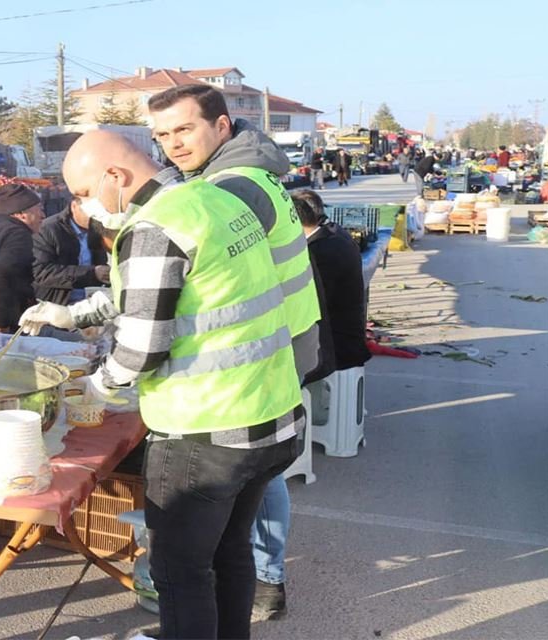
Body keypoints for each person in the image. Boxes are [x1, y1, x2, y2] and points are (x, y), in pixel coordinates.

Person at [18, 129, 302, 640]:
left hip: (206, 428)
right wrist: (71, 312)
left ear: (115, 177)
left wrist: (96, 389)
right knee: (230, 552)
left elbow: (142, 346)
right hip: (271, 410)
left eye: (83, 193)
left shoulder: (155, 226)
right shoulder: (211, 198)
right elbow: (159, 291)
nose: (84, 206)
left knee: (179, 572)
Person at [148, 83, 326, 624]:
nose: (173, 145)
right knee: (229, 545)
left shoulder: (228, 190)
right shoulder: (253, 176)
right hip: (275, 366)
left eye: (184, 129)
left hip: (244, 382)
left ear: (222, 127)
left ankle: (270, 579)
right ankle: (262, 588)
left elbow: (196, 297)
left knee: (186, 566)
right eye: (162, 136)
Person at [293, 190, 371, 371]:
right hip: (346, 336)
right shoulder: (334, 233)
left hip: (337, 346)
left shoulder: (322, 251)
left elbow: (314, 303)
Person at [0, 183, 43, 333]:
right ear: (22, 214)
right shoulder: (18, 235)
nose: (43, 215)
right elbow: (2, 275)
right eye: (39, 209)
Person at [32, 196, 110, 305]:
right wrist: (93, 273)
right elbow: (41, 272)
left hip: (92, 302)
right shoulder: (47, 229)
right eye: (90, 212)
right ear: (74, 206)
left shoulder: (98, 229)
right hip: (56, 304)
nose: (95, 217)